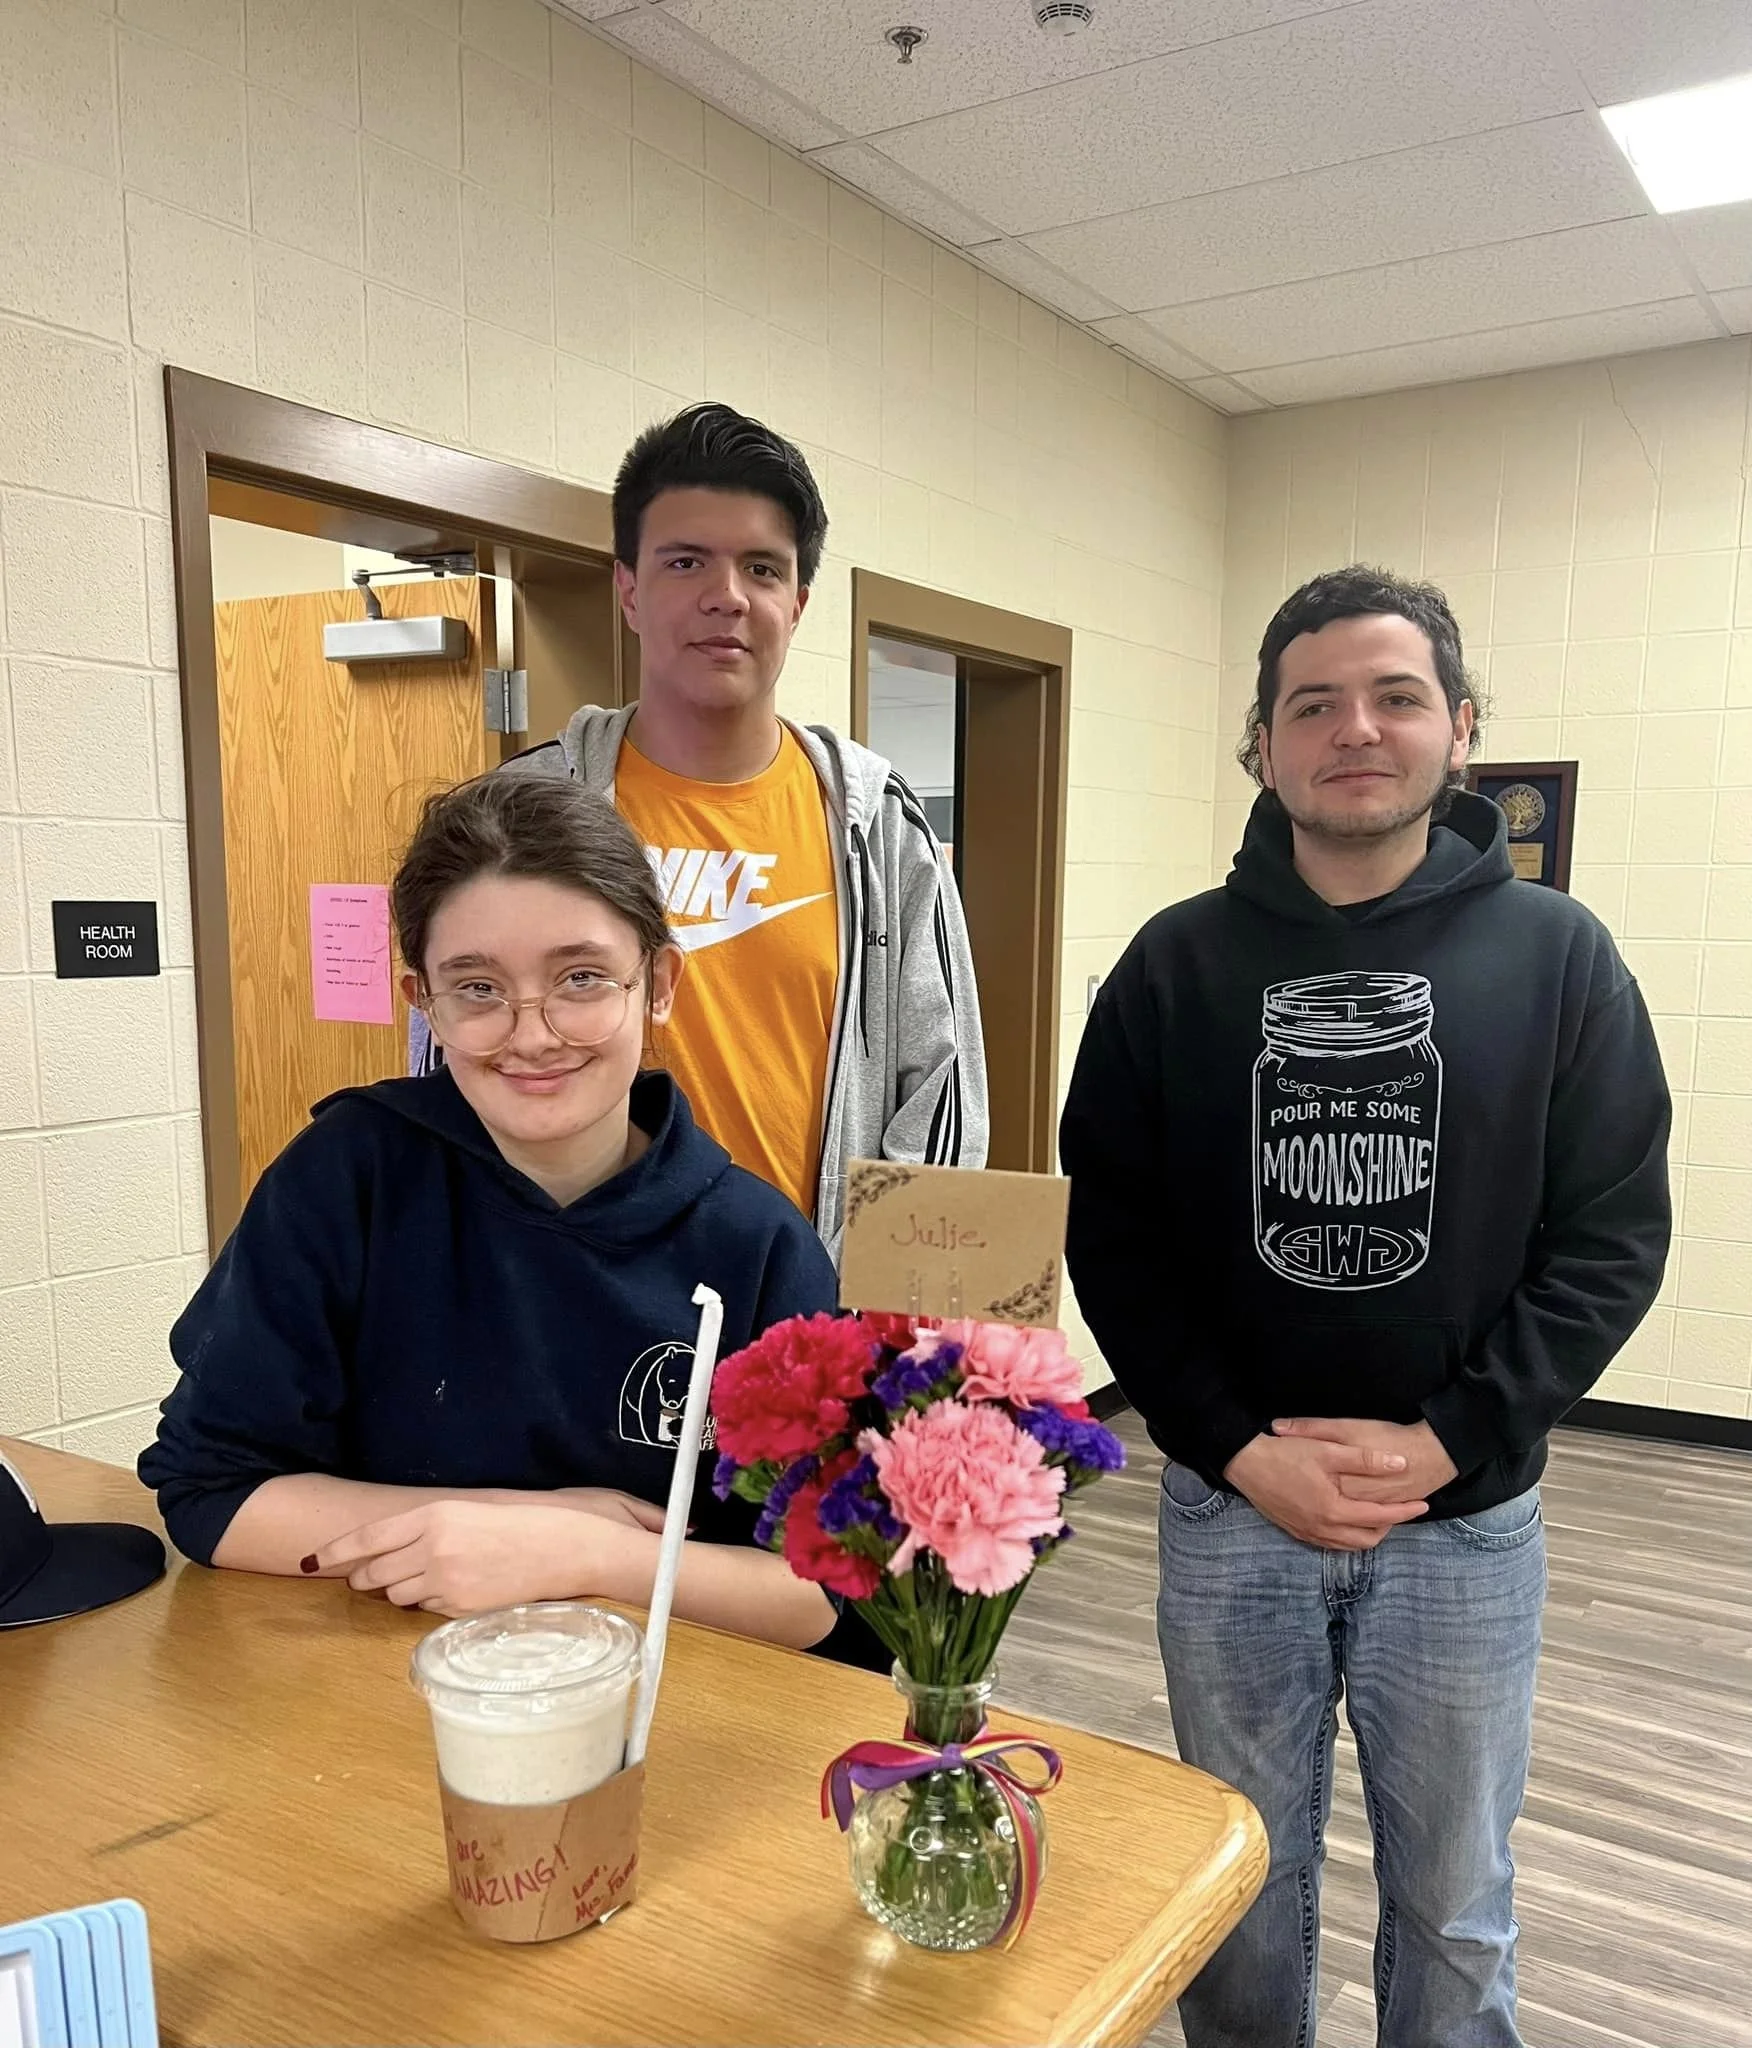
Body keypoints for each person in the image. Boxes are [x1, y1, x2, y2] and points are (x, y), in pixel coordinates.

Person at [1060, 565, 1670, 2048]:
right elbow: (1115, 1236)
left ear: (1460, 730)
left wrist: (1458, 1435)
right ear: (1262, 747)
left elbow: (1611, 1238)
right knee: (1235, 1893)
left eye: (1396, 698)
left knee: (1459, 1900)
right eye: (1311, 703)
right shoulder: (1173, 965)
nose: (1356, 730)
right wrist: (1230, 1442)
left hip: (1461, 1525)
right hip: (1232, 1517)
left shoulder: (1560, 957)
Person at [140, 774, 845, 1653]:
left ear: (658, 982)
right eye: (476, 989)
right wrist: (495, 1524)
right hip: (370, 1691)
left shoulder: (759, 1247)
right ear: (422, 1000)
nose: (534, 1033)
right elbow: (212, 1493)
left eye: (581, 978)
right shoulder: (347, 1178)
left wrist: (586, 1554)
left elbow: (812, 1591)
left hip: (651, 1716)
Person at [412, 402, 986, 1256]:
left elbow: (940, 1094)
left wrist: (882, 1346)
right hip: (576, 1289)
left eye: (761, 568)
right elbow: (450, 1063)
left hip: (809, 1314)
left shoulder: (879, 824)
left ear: (797, 603)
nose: (726, 597)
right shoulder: (520, 808)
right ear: (630, 590)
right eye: (687, 561)